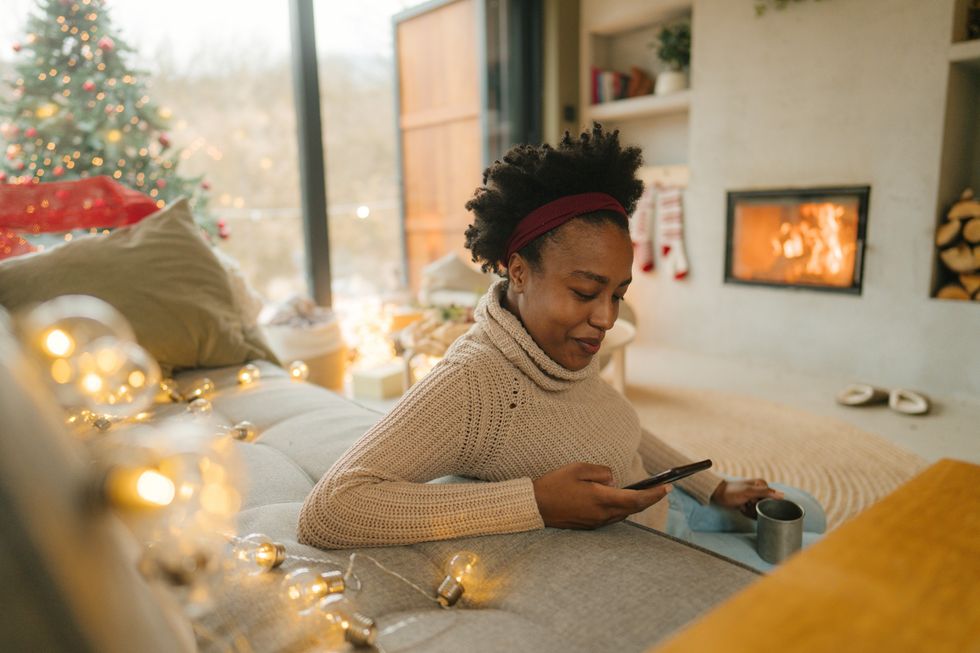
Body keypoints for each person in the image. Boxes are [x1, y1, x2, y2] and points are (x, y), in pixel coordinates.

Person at [297, 124, 825, 570]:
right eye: (585, 292)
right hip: (654, 541)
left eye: (618, 293)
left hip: (669, 501)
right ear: (520, 273)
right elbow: (332, 508)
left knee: (811, 512)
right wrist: (536, 503)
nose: (606, 318)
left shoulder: (552, 346)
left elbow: (615, 423)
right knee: (822, 558)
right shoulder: (473, 384)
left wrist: (713, 486)